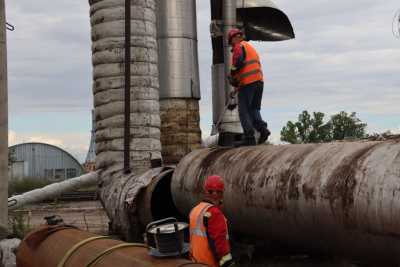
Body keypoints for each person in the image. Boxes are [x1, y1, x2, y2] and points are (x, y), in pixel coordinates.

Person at [227, 28, 270, 147]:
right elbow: (246, 69)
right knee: (254, 109)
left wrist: (232, 73)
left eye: (231, 41)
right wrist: (236, 89)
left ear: (234, 38)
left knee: (243, 111)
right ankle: (263, 130)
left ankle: (249, 137)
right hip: (258, 82)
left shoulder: (238, 46)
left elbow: (239, 62)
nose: (231, 44)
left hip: (249, 83)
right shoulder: (249, 47)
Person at [189, 175, 234, 267]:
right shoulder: (214, 213)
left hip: (195, 262)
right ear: (220, 194)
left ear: (205, 192)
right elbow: (219, 242)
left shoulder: (195, 210)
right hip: (209, 263)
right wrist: (228, 263)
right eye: (220, 192)